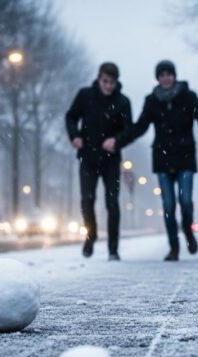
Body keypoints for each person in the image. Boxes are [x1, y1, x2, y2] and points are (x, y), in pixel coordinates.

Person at [104, 60, 198, 261]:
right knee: (168, 205)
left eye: (169, 74)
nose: (166, 77)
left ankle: (187, 230)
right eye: (162, 74)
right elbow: (140, 127)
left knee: (185, 201)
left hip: (185, 156)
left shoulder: (188, 97)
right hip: (162, 159)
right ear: (158, 78)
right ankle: (174, 247)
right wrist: (118, 141)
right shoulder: (152, 101)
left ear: (174, 76)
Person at [65, 62, 132, 261]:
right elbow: (70, 117)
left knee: (112, 203)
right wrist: (74, 136)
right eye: (105, 81)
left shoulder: (123, 102)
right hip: (87, 157)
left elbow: (129, 129)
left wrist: (117, 141)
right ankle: (90, 235)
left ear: (116, 82)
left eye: (112, 82)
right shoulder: (85, 96)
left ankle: (113, 249)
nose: (108, 86)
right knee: (87, 200)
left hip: (111, 161)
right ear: (98, 77)